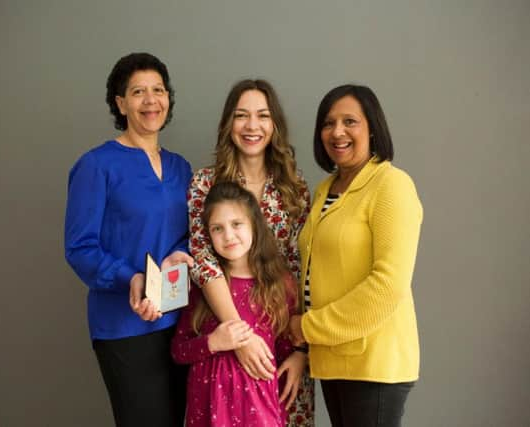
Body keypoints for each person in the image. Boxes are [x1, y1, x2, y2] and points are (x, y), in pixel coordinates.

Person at [64, 52, 192, 427]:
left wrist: (177, 258)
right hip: (123, 326)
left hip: (179, 322)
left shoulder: (180, 167)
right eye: (138, 92)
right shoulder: (96, 166)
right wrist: (132, 278)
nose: (151, 100)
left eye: (158, 90)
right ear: (121, 103)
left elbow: (189, 236)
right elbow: (80, 248)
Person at [289, 84, 423, 427]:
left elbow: (387, 286)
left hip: (373, 362)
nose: (337, 132)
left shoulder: (392, 186)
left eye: (350, 121)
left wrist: (307, 327)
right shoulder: (325, 190)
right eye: (328, 123)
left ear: (373, 128)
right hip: (333, 358)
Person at [187, 79, 314, 425]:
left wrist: (302, 350)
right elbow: (203, 261)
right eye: (242, 115)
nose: (252, 126)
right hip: (225, 345)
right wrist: (240, 337)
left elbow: (301, 269)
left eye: (262, 115)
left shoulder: (294, 188)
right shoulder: (204, 184)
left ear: (275, 125)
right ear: (229, 123)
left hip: (281, 347)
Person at [173, 181, 303, 426]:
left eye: (236, 224)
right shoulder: (203, 288)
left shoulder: (279, 286)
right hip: (208, 412)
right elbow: (179, 350)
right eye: (217, 228)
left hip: (260, 411)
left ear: (254, 224)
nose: (228, 236)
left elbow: (284, 352)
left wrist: (299, 356)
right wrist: (213, 342)